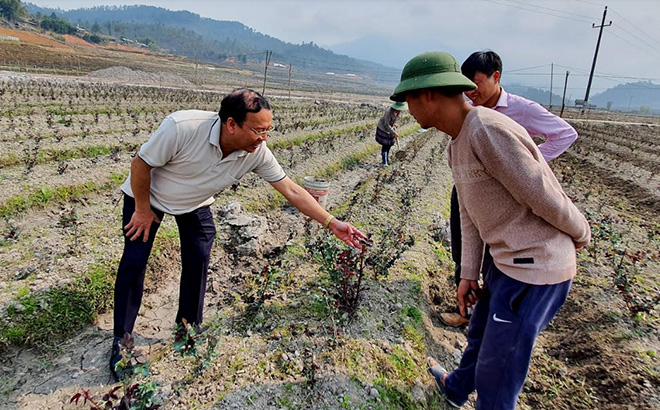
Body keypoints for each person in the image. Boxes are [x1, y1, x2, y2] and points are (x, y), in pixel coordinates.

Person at [110, 88, 365, 379]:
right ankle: (122, 342)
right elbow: (140, 164)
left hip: (194, 203)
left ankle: (188, 329)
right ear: (231, 124)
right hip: (149, 195)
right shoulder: (183, 127)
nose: (263, 138)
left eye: (268, 131)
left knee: (199, 257)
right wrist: (142, 210)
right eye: (258, 130)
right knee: (135, 260)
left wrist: (332, 223)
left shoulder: (256, 153)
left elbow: (292, 190)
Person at [390, 51, 590, 409]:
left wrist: (581, 233)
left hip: (534, 271)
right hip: (505, 260)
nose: (408, 109)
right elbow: (469, 213)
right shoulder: (457, 143)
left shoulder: (487, 130)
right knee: (479, 334)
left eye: (408, 100)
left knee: (499, 374)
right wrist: (468, 273)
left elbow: (542, 193)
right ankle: (455, 388)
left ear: (428, 95)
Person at [441, 50, 579, 327]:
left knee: (498, 254)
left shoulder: (522, 109)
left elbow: (566, 134)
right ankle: (465, 308)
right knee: (463, 247)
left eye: (477, 83)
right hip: (470, 189)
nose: (471, 92)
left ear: (496, 77)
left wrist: (529, 162)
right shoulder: (468, 114)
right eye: (466, 85)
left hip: (506, 198)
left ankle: (490, 313)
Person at [375, 101, 407, 167]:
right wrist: (394, 132)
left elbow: (393, 120)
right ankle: (384, 162)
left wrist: (393, 124)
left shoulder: (398, 111)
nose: (400, 110)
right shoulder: (388, 112)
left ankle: (387, 158)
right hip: (383, 128)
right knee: (385, 145)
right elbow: (386, 124)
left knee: (389, 144)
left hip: (390, 129)